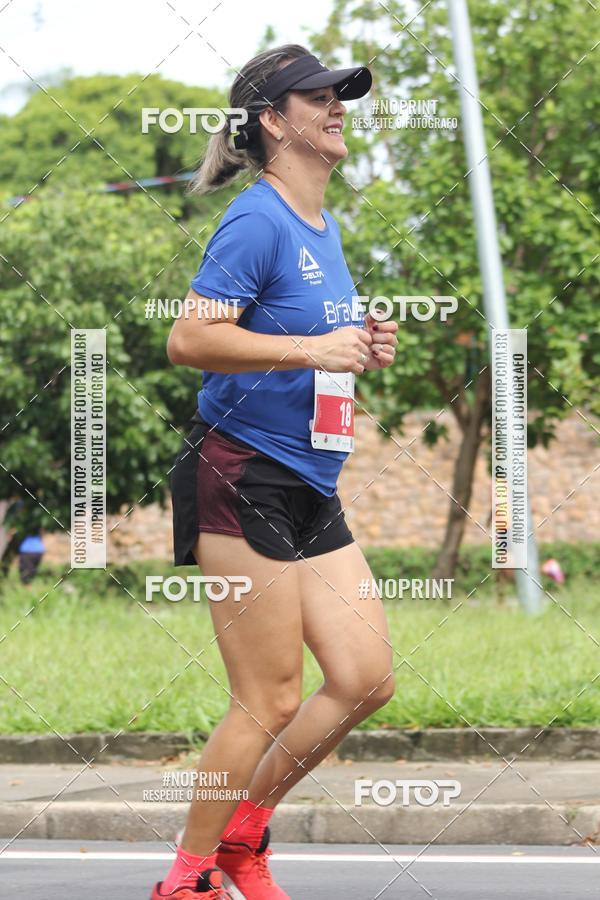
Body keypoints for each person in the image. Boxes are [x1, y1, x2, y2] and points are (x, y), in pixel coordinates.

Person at [151, 44, 398, 900]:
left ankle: (243, 831)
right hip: (240, 469)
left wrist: (359, 349)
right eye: (320, 96)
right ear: (273, 119)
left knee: (366, 676)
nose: (339, 107)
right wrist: (310, 345)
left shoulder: (323, 227)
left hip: (307, 479)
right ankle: (186, 876)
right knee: (269, 697)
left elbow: (311, 346)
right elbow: (189, 339)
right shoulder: (257, 220)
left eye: (342, 96)